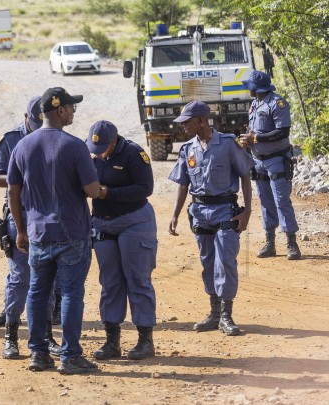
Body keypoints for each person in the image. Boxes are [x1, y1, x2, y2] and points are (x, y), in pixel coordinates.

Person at [7, 87, 101, 374]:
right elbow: (93, 191)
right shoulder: (74, 146)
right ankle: (70, 356)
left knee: (37, 292)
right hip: (71, 233)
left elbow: (13, 190)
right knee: (71, 293)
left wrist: (21, 231)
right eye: (71, 107)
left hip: (37, 234)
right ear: (59, 110)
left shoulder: (22, 146)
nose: (73, 111)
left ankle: (38, 354)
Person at [168, 101, 253, 337]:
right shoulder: (188, 149)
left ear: (202, 121)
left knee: (225, 261)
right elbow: (183, 183)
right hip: (200, 213)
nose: (184, 126)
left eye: (187, 122)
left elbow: (245, 175)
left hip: (226, 210)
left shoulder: (227, 144)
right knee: (207, 262)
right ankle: (214, 313)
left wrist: (247, 211)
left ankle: (227, 315)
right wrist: (175, 214)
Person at [0, 96, 60, 359]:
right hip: (19, 215)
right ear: (25, 117)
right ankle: (10, 334)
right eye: (35, 122)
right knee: (20, 278)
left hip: (48, 216)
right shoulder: (11, 139)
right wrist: (22, 178)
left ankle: (47, 334)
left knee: (48, 277)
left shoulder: (54, 135)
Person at [85, 120, 157, 361]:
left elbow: (145, 188)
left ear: (115, 142)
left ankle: (145, 341)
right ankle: (111, 341)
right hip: (103, 224)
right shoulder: (90, 155)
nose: (99, 153)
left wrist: (109, 193)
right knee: (110, 281)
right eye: (95, 149)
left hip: (134, 220)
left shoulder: (133, 154)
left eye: (104, 148)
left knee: (137, 279)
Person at [238, 70, 301, 260]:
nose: (248, 89)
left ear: (256, 88)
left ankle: (291, 243)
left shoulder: (277, 103)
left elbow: (283, 132)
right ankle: (270, 243)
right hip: (258, 161)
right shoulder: (255, 104)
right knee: (265, 203)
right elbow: (253, 130)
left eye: (249, 86)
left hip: (277, 160)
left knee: (282, 201)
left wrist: (255, 138)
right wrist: (247, 142)